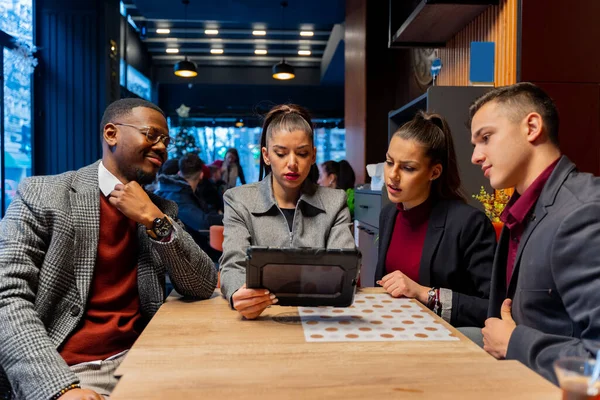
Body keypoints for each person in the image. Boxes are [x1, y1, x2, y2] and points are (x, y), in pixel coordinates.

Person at [0, 98, 217, 400]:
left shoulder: (159, 209)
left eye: (165, 140)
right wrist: (59, 389)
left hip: (144, 359)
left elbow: (202, 284)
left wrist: (154, 219)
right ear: (111, 134)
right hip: (68, 369)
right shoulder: (44, 195)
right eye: (151, 135)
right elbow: (6, 296)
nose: (161, 147)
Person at [469, 82, 600, 384]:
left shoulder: (581, 214)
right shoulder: (522, 212)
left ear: (531, 127)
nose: (475, 155)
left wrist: (515, 343)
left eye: (486, 138)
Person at [219, 104, 356, 319]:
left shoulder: (334, 202)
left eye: (301, 153)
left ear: (313, 156)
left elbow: (343, 269)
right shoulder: (239, 200)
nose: (292, 163)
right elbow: (232, 263)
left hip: (319, 316)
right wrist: (238, 293)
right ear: (265, 155)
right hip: (261, 317)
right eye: (281, 153)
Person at [375, 111, 496, 330]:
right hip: (394, 333)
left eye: (408, 168)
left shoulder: (469, 224)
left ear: (435, 172)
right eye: (389, 162)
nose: (393, 175)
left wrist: (424, 293)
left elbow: (491, 308)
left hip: (444, 341)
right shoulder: (389, 215)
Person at [154, 153, 224, 263]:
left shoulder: (176, 191)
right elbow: (202, 222)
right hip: (183, 259)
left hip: (183, 254)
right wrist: (231, 216)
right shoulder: (177, 196)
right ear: (201, 175)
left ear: (179, 173)